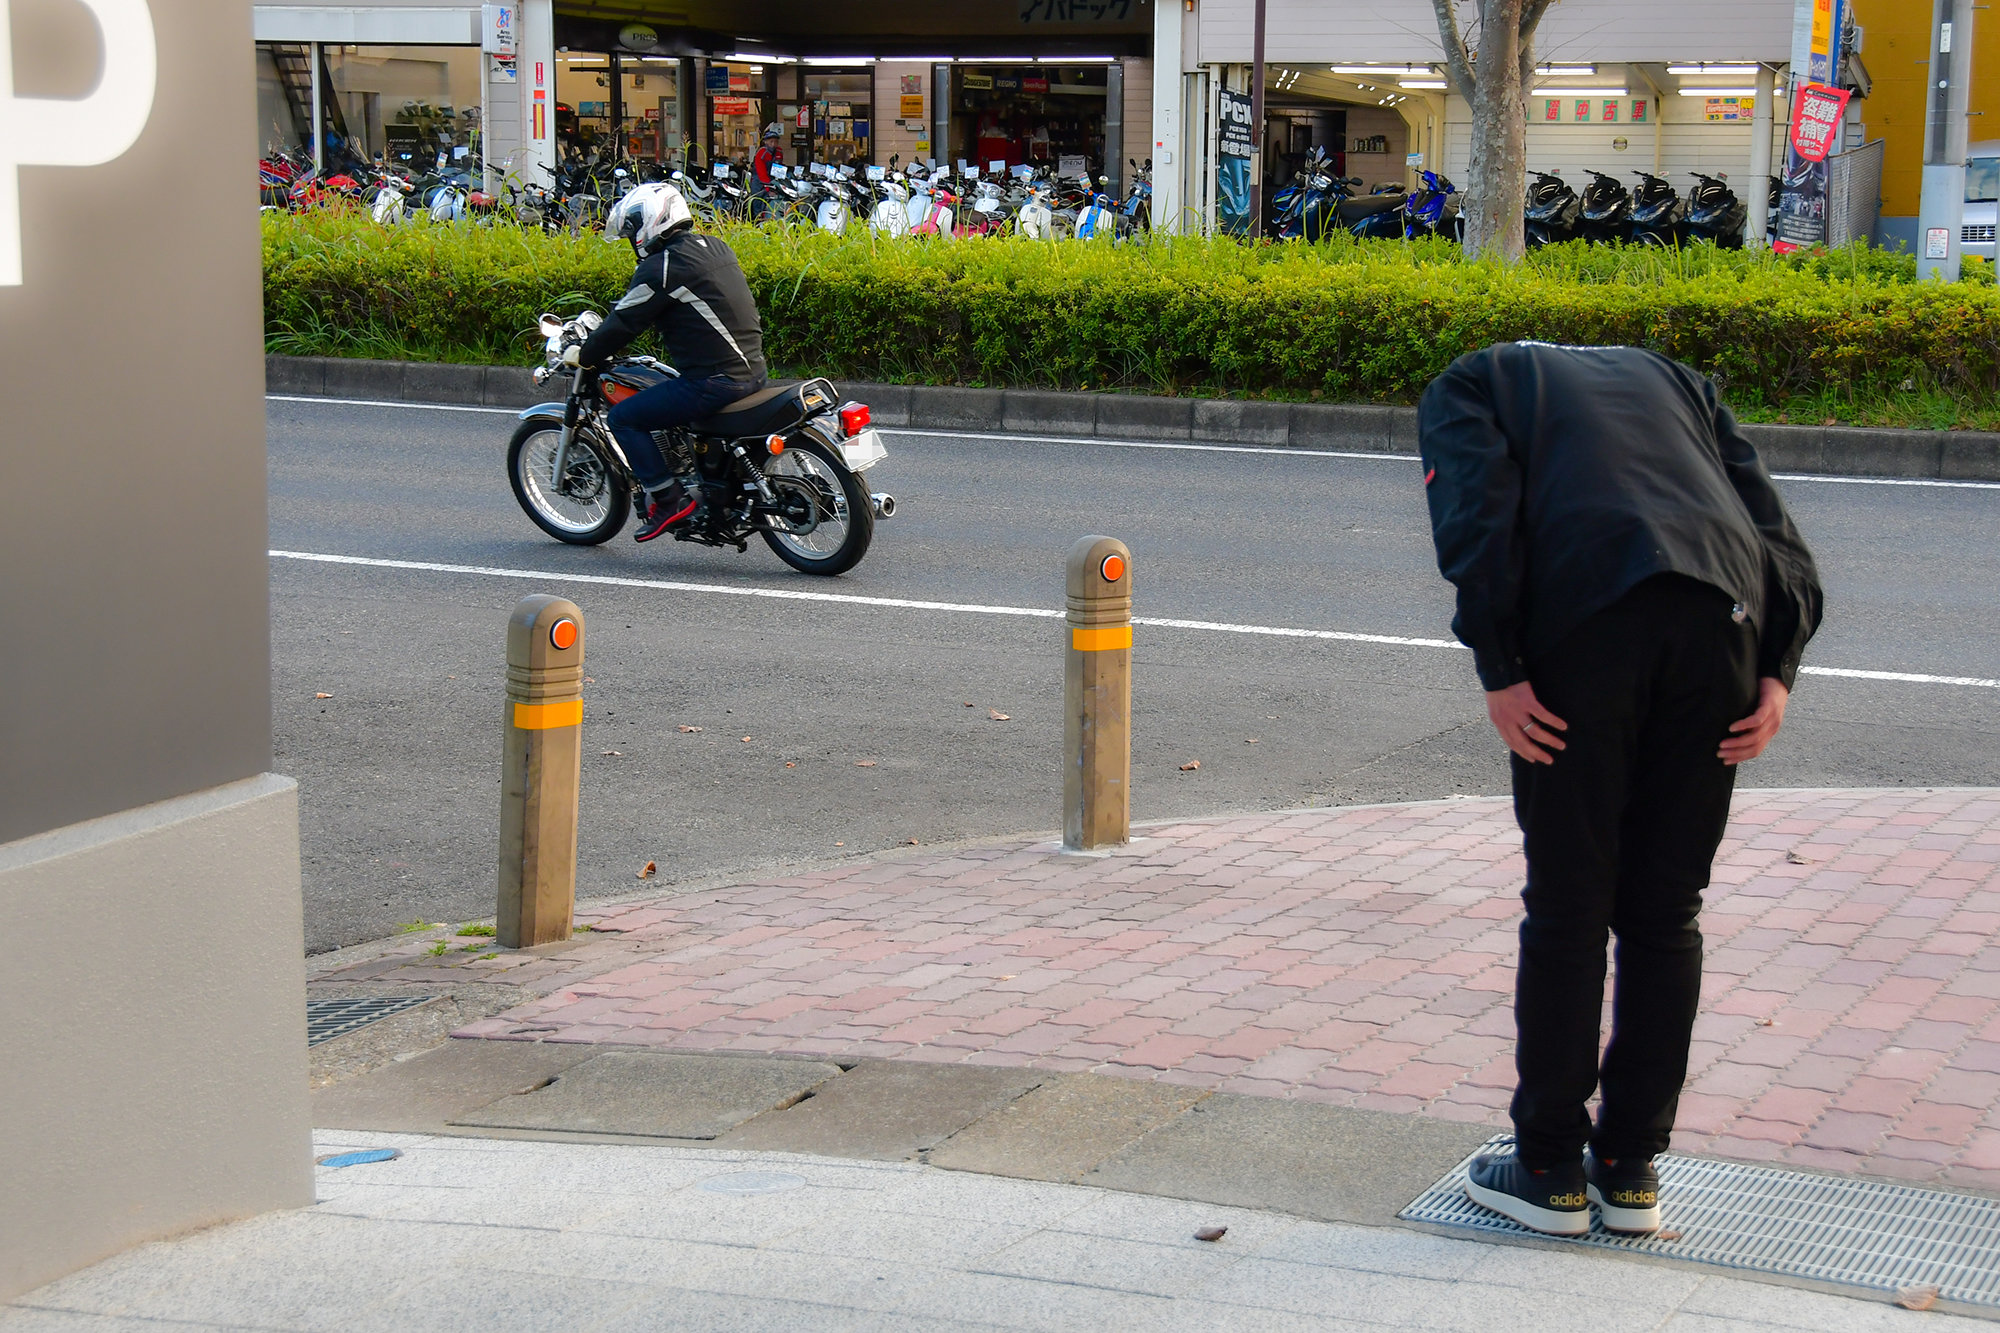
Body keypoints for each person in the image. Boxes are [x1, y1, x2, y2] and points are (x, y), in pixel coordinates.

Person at [1418, 341, 1823, 1238]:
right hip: (1721, 625)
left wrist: (1501, 666)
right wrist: (1778, 665)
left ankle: (1550, 1165)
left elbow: (1476, 515)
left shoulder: (1470, 383)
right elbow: (1770, 523)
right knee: (1666, 908)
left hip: (1586, 627)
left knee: (1568, 905)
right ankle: (1630, 1167)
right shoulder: (1678, 376)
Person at [564, 181, 767, 542]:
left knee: (624, 417)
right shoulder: (713, 246)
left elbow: (623, 321)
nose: (631, 239)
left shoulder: (663, 267)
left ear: (651, 222)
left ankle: (668, 499)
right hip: (753, 372)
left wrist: (585, 354)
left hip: (713, 382)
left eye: (632, 229)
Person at [751, 124, 785, 218]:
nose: (773, 144)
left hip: (772, 179)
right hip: (759, 181)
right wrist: (768, 189)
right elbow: (761, 173)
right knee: (757, 201)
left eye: (776, 142)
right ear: (766, 142)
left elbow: (780, 167)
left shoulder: (779, 152)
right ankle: (757, 221)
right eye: (771, 141)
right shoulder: (761, 153)